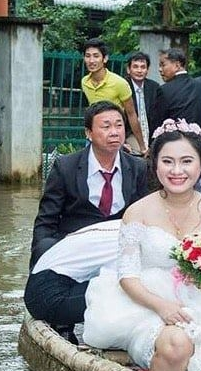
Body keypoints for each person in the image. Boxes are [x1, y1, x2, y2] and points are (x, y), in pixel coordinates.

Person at [82, 123, 201, 371]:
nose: (177, 171)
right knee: (177, 344)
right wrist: (162, 307)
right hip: (146, 304)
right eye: (167, 161)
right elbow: (127, 275)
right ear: (155, 166)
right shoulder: (138, 212)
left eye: (187, 161)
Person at [24, 101, 149, 336]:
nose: (114, 132)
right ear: (88, 133)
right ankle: (62, 322)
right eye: (106, 126)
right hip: (73, 248)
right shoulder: (66, 166)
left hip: (114, 247)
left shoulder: (138, 167)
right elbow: (46, 220)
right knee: (48, 246)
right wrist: (40, 264)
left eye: (119, 125)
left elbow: (142, 216)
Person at [80, 38, 148, 155]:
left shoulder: (119, 83)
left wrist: (142, 146)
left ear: (105, 58)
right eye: (88, 56)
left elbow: (131, 114)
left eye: (96, 56)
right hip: (94, 136)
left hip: (113, 136)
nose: (91, 60)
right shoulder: (85, 82)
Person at [159, 48, 201, 126]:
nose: (160, 69)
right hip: (200, 136)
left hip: (174, 137)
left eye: (163, 65)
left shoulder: (163, 90)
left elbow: (158, 120)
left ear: (177, 65)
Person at [125, 51, 164, 150]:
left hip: (151, 133)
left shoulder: (154, 87)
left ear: (147, 70)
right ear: (128, 69)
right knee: (139, 152)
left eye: (143, 67)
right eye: (135, 67)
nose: (139, 70)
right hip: (130, 133)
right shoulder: (123, 86)